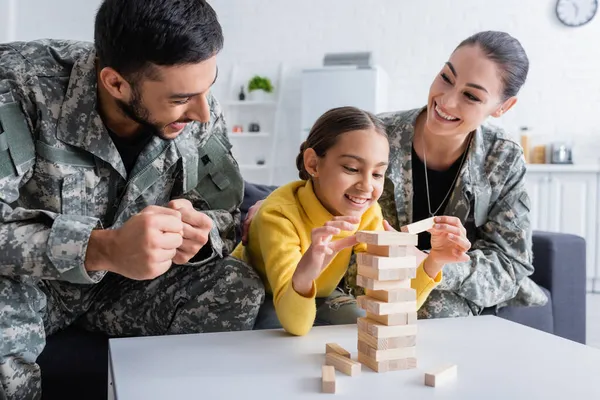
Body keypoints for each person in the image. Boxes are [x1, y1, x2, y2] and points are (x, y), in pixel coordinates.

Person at [0, 0, 264, 398]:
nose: (204, 113)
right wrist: (99, 247)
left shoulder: (196, 106)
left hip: (126, 288)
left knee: (235, 284)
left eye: (208, 88)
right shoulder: (18, 86)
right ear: (116, 83)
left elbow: (223, 213)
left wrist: (200, 237)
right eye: (180, 99)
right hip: (29, 285)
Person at [243, 30, 548, 321]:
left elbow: (511, 266)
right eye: (446, 78)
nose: (446, 101)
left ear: (503, 107)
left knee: (434, 310)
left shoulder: (503, 158)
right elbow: (317, 188)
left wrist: (432, 264)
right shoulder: (378, 134)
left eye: (471, 96)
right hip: (363, 282)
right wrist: (269, 207)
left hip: (444, 287)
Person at [232, 106, 470, 336]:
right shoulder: (278, 216)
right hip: (266, 294)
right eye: (352, 168)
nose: (367, 186)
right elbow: (296, 325)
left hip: (322, 294)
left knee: (366, 329)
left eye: (377, 174)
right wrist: (306, 273)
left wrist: (434, 261)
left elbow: (391, 311)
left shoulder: (367, 213)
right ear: (313, 163)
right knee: (286, 343)